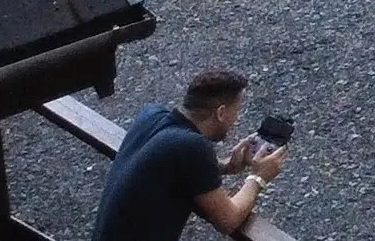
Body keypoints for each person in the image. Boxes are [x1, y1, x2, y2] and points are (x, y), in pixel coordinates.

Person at [90, 67, 286, 240]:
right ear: (221, 113)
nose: (235, 121)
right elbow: (228, 220)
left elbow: (168, 164)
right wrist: (259, 177)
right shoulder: (192, 146)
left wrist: (226, 166)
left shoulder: (152, 115)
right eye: (236, 112)